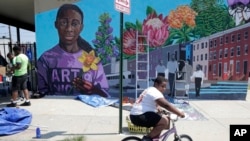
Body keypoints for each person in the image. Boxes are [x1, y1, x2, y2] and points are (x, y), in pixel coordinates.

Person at [37, 4, 109, 97]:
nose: (69, 29)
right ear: (56, 24)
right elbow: (42, 93)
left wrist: (93, 90)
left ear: (81, 27)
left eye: (74, 24)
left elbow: (105, 94)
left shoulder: (92, 59)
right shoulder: (45, 59)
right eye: (63, 23)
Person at [129, 76, 185, 141]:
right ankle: (146, 139)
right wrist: (179, 113)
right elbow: (166, 105)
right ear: (156, 84)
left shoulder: (149, 89)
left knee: (162, 120)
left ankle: (154, 139)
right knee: (165, 121)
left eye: (165, 87)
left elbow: (155, 105)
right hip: (140, 115)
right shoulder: (155, 92)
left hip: (135, 115)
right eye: (162, 86)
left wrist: (161, 110)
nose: (164, 89)